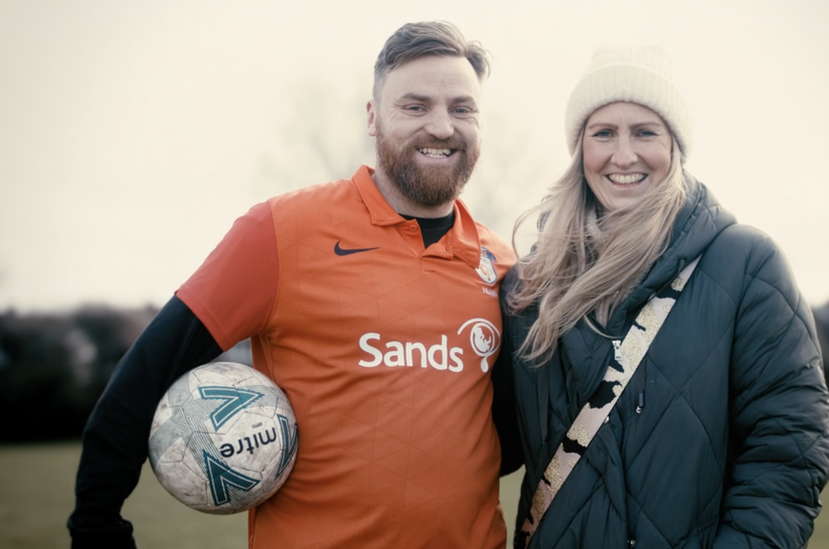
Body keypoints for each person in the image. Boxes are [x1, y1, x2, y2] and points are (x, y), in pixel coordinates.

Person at [68, 21, 519, 549]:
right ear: (373, 119)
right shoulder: (280, 233)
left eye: (462, 108)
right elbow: (145, 376)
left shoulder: (504, 266)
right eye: (415, 106)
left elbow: (506, 440)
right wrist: (97, 527)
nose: (442, 126)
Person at [497, 46, 829, 548]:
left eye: (645, 132)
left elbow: (789, 453)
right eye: (604, 132)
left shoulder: (745, 265)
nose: (624, 155)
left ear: (675, 145)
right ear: (580, 148)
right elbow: (486, 444)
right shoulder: (530, 286)